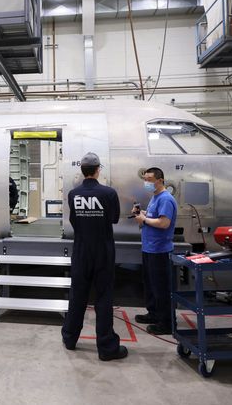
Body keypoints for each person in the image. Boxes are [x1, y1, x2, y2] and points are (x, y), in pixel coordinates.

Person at [61, 152, 127, 361]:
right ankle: (107, 348)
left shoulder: (73, 194)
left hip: (81, 250)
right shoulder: (108, 193)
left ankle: (70, 338)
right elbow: (114, 219)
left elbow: (74, 221)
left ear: (82, 171)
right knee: (104, 297)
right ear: (98, 169)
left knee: (77, 294)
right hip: (103, 250)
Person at [134, 167, 178, 335]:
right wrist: (142, 213)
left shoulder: (166, 199)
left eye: (150, 179)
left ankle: (167, 323)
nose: (147, 182)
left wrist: (144, 219)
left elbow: (164, 223)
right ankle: (153, 314)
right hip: (149, 248)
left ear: (160, 180)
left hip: (159, 250)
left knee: (161, 288)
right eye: (145, 179)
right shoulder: (155, 197)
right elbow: (154, 217)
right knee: (151, 285)